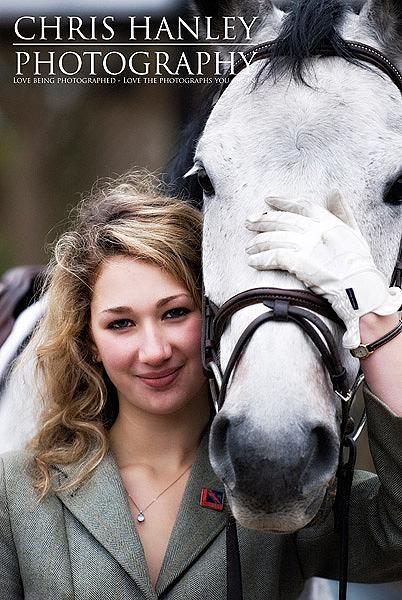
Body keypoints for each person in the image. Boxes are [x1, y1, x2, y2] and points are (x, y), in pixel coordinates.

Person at [0, 172, 401, 600]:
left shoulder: (278, 477)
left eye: (174, 313)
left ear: (214, 318)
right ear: (90, 342)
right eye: (121, 324)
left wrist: (376, 319)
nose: (154, 351)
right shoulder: (17, 489)